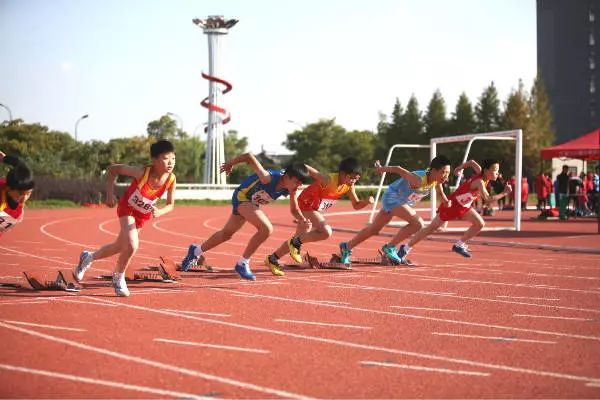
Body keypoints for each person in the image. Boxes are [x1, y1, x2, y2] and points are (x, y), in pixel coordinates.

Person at [181, 153, 310, 280]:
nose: (298, 186)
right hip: (242, 197)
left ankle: (196, 251)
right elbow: (249, 156)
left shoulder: (291, 189)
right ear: (286, 177)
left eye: (301, 183)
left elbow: (294, 209)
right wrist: (231, 163)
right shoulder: (268, 178)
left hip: (252, 203)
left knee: (226, 234)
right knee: (266, 229)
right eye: (297, 182)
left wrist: (302, 219)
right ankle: (242, 263)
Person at [73, 140, 177, 297]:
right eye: (165, 158)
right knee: (133, 245)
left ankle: (88, 257)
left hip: (142, 215)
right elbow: (112, 170)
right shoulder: (142, 173)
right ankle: (118, 276)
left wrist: (160, 212)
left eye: (173, 158)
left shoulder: (171, 179)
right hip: (127, 208)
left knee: (119, 246)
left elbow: (171, 205)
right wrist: (109, 193)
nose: (170, 162)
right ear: (154, 160)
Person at [265, 157, 373, 275]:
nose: (353, 181)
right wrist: (309, 174)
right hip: (305, 205)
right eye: (351, 177)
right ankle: (295, 242)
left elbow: (356, 205)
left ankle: (272, 259)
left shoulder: (348, 186)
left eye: (356, 179)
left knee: (297, 240)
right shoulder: (328, 180)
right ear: (342, 174)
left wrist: (366, 201)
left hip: (314, 209)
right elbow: (305, 167)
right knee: (326, 231)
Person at [339, 155, 452, 265]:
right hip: (392, 197)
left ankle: (346, 247)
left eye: (447, 173)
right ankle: (390, 247)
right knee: (417, 224)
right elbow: (398, 169)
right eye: (443, 172)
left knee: (374, 229)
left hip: (399, 202)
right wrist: (381, 169)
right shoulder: (418, 179)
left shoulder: (435, 181)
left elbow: (441, 195)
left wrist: (446, 201)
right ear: (434, 170)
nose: (446, 176)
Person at [397, 159, 512, 261]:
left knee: (479, 223)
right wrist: (504, 193)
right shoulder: (480, 182)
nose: (498, 173)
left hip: (464, 206)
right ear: (486, 171)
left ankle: (459, 245)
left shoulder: (481, 173)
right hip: (452, 206)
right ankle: (405, 248)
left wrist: (459, 168)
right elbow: (487, 199)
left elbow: (471, 162)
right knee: (431, 228)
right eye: (495, 170)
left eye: (498, 170)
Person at [0, 151, 35, 237]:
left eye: (28, 193)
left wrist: (4, 158)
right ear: (8, 189)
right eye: (20, 194)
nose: (24, 198)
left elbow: (20, 164)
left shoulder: (16, 213)